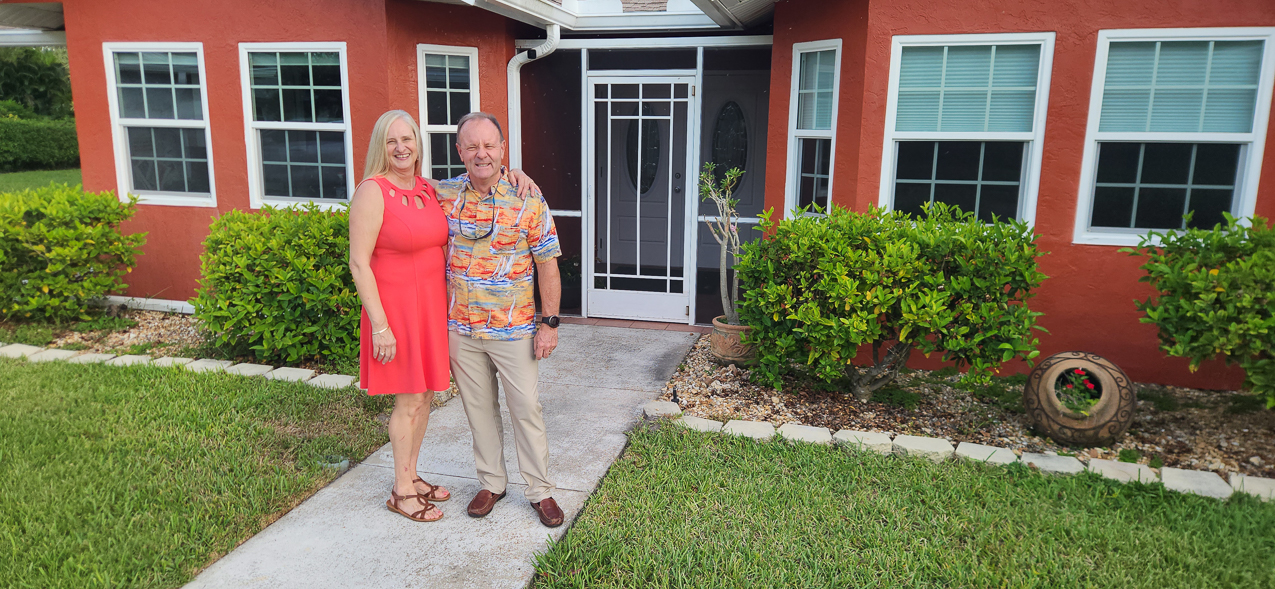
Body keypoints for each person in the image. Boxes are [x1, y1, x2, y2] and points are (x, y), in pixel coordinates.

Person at [348, 109, 537, 523]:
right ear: (380, 145)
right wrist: (379, 325)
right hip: (395, 313)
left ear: (419, 144)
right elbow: (359, 264)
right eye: (392, 140)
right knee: (409, 399)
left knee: (426, 396)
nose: (401, 147)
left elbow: (479, 174)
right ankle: (401, 491)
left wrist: (515, 172)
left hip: (432, 310)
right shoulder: (372, 191)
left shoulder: (425, 189)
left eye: (408, 139)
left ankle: (411, 476)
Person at [436, 112, 565, 527]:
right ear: (459, 151)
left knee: (526, 407)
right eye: (471, 146)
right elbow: (396, 183)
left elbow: (548, 263)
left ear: (503, 149)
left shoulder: (528, 197)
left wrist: (550, 323)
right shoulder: (443, 193)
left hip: (514, 329)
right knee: (478, 409)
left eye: (489, 145)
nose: (481, 154)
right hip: (462, 327)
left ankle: (540, 491)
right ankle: (492, 482)